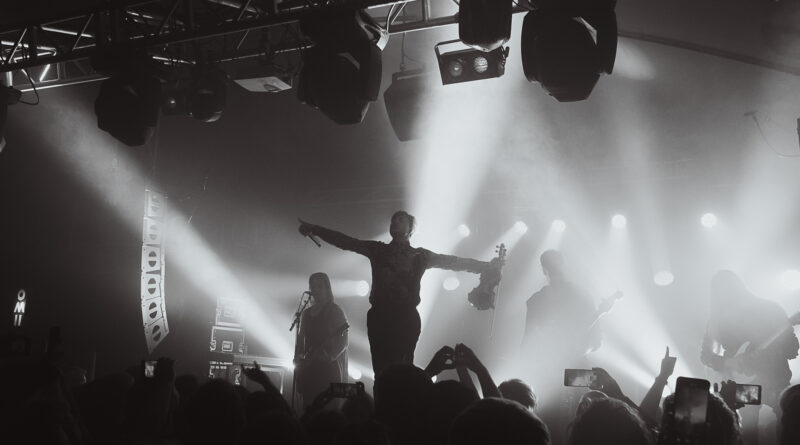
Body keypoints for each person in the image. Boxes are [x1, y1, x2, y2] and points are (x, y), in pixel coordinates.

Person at [298, 211, 494, 376]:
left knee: (403, 369)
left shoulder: (420, 256)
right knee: (381, 371)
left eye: (400, 220)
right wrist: (316, 229)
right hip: (380, 317)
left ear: (410, 230)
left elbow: (452, 262)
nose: (394, 222)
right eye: (393, 220)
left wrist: (484, 267)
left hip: (405, 317)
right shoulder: (377, 250)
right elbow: (346, 242)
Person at [700, 270, 799, 445]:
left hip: (773, 380)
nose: (725, 294)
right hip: (743, 384)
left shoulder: (769, 309)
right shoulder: (716, 319)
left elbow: (791, 348)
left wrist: (767, 352)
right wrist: (727, 362)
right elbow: (706, 355)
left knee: (788, 422)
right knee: (748, 428)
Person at [293, 272, 349, 409]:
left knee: (327, 409)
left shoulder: (335, 311)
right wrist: (298, 357)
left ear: (327, 289)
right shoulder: (306, 314)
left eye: (319, 286)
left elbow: (343, 341)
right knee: (309, 407)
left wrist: (329, 356)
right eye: (313, 286)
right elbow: (301, 340)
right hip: (309, 368)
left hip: (328, 370)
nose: (315, 290)